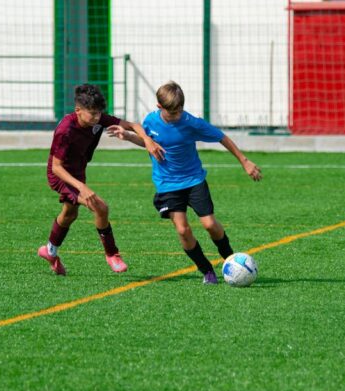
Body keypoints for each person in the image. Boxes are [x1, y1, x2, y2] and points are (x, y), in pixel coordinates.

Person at [108, 81, 262, 284]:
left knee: (210, 224)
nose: (177, 115)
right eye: (172, 113)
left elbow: (221, 137)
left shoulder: (191, 122)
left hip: (194, 180)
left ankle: (231, 260)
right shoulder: (151, 121)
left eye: (180, 110)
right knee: (183, 230)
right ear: (159, 107)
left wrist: (245, 161)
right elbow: (147, 141)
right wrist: (128, 136)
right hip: (167, 184)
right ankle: (206, 270)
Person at [38, 84, 164, 276]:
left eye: (99, 113)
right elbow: (56, 167)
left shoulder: (97, 119)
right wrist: (82, 187)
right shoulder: (66, 130)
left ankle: (50, 251)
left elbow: (132, 125)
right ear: (78, 110)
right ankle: (112, 254)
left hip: (78, 171)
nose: (97, 118)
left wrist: (147, 140)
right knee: (101, 208)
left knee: (70, 214)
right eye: (93, 114)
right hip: (61, 176)